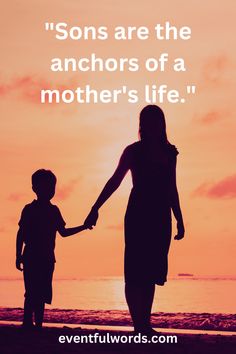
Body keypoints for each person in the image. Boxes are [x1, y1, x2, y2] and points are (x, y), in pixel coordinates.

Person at [84, 105, 185, 335]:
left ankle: (145, 324)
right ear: (142, 125)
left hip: (160, 216)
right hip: (139, 213)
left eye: (157, 121)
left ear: (162, 123)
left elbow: (172, 187)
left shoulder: (170, 153)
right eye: (148, 121)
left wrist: (179, 218)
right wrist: (95, 208)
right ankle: (137, 324)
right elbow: (115, 180)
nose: (153, 126)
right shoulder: (133, 151)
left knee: (151, 271)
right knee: (134, 270)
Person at [16, 169, 91, 329]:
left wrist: (83, 227)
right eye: (46, 187)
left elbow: (63, 232)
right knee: (31, 291)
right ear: (35, 188)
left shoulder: (54, 210)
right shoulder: (29, 209)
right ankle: (28, 322)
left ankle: (38, 324)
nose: (49, 191)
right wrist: (18, 255)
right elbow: (21, 234)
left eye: (52, 187)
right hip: (30, 256)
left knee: (42, 292)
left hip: (47, 258)